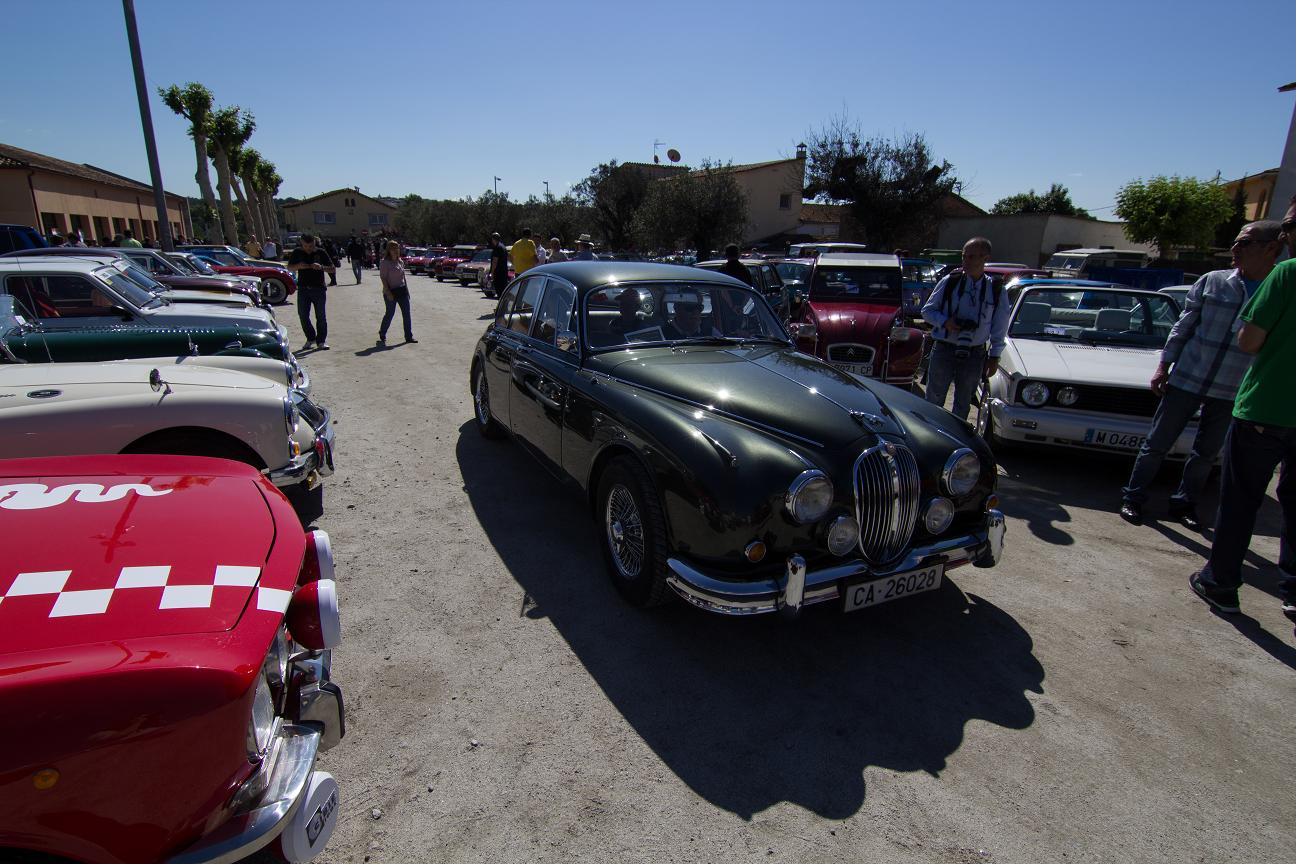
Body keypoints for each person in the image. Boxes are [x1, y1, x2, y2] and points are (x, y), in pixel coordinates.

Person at [1120, 220, 1284, 528]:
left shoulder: (1278, 288)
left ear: (1271, 248)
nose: (1234, 248)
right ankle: (1133, 498)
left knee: (1206, 453)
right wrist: (1164, 365)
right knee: (1157, 443)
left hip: (1232, 388)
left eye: (1244, 243)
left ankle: (1184, 504)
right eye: (1235, 241)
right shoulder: (1213, 281)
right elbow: (1183, 327)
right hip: (1188, 378)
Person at [1190, 197, 1296, 619]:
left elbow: (1249, 341)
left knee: (1240, 501)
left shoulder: (1285, 274)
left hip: (1266, 408)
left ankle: (1221, 583)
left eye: (1289, 227)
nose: (1285, 236)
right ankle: (1293, 592)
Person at [920, 237, 1011, 421]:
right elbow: (927, 311)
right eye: (964, 256)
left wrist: (994, 357)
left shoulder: (995, 289)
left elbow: (1000, 326)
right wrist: (945, 322)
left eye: (971, 257)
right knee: (934, 398)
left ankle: (956, 434)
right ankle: (931, 431)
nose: (966, 261)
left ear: (985, 258)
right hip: (944, 348)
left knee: (963, 401)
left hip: (974, 353)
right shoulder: (950, 282)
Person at [288, 233, 335, 350]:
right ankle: (310, 338)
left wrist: (321, 267)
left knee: (321, 316)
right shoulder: (297, 252)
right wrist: (298, 266)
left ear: (315, 243)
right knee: (303, 315)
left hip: (318, 288)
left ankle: (321, 341)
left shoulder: (321, 252)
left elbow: (333, 268)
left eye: (311, 246)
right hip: (303, 289)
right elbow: (289, 267)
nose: (308, 248)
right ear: (301, 243)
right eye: (306, 246)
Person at [377, 239, 416, 345]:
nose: (395, 250)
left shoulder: (400, 262)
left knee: (406, 314)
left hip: (402, 291)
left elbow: (403, 277)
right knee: (390, 313)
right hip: (390, 291)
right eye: (393, 248)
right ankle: (382, 332)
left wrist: (407, 291)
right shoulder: (385, 263)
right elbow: (383, 278)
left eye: (397, 248)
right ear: (388, 250)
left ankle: (408, 336)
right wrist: (388, 292)